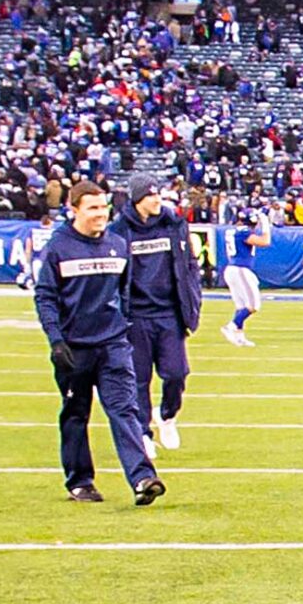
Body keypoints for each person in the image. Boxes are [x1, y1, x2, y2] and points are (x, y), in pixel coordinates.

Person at [30, 179, 161, 505]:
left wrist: (123, 327)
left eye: (103, 207)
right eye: (92, 208)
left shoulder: (117, 245)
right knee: (76, 413)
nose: (100, 214)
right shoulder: (58, 248)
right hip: (74, 347)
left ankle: (143, 478)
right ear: (73, 210)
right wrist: (56, 341)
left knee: (125, 410)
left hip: (113, 345)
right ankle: (80, 481)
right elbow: (45, 296)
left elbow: (125, 292)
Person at [120, 176, 203, 449]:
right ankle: (143, 433)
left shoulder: (173, 224)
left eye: (157, 195)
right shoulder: (120, 230)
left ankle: (167, 415)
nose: (157, 200)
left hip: (169, 312)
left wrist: (193, 299)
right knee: (138, 378)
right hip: (136, 315)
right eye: (149, 196)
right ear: (136, 200)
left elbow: (189, 264)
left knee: (177, 373)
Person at [220, 204, 272, 348]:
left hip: (233, 269)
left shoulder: (234, 230)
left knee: (241, 306)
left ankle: (239, 337)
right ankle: (230, 327)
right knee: (254, 305)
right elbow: (265, 242)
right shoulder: (243, 232)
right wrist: (266, 223)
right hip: (240, 269)